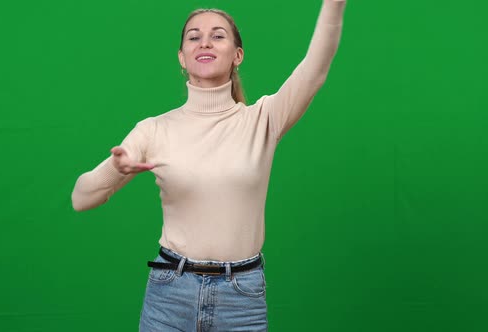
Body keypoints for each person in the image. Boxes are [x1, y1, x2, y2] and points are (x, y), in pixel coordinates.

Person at [71, 1, 347, 330]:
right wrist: (117, 170)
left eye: (217, 36)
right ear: (181, 58)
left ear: (237, 55)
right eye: (194, 37)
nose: (205, 43)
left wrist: (334, 3)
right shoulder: (154, 129)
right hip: (169, 293)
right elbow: (80, 198)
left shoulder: (263, 119)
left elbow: (315, 68)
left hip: (242, 296)